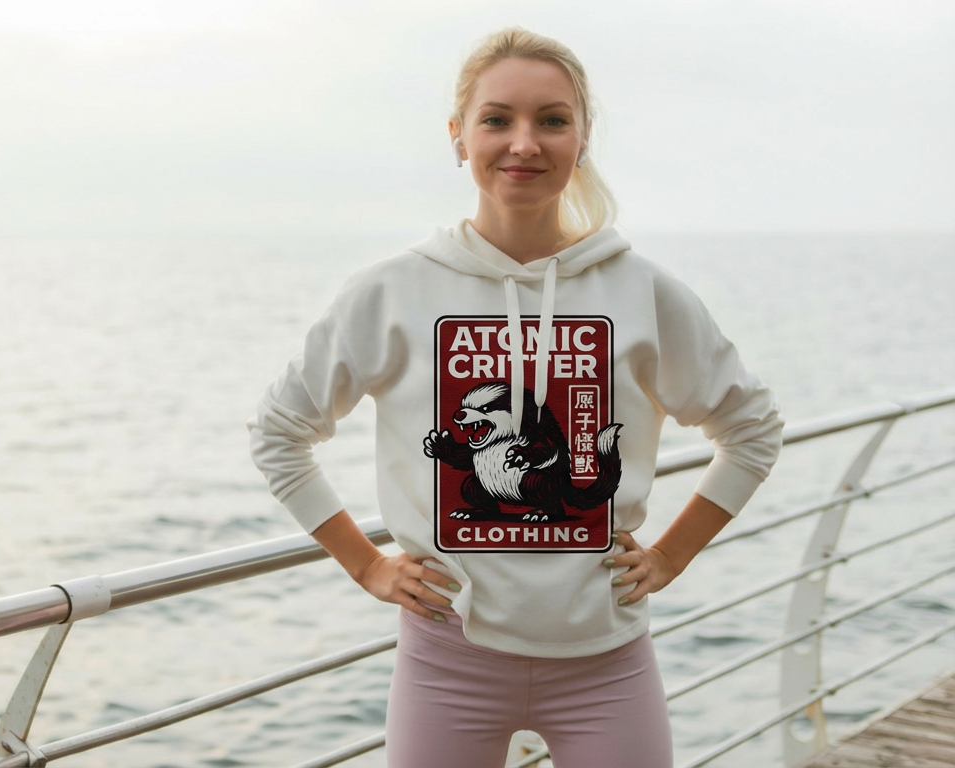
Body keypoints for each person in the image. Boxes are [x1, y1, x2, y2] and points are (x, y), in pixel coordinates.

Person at [247, 27, 784, 768]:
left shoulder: (642, 290)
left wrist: (671, 556)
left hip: (607, 657)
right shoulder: (392, 291)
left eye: (552, 120)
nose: (523, 143)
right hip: (446, 657)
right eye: (497, 119)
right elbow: (280, 432)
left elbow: (751, 428)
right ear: (459, 137)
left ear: (582, 138)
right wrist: (365, 564)